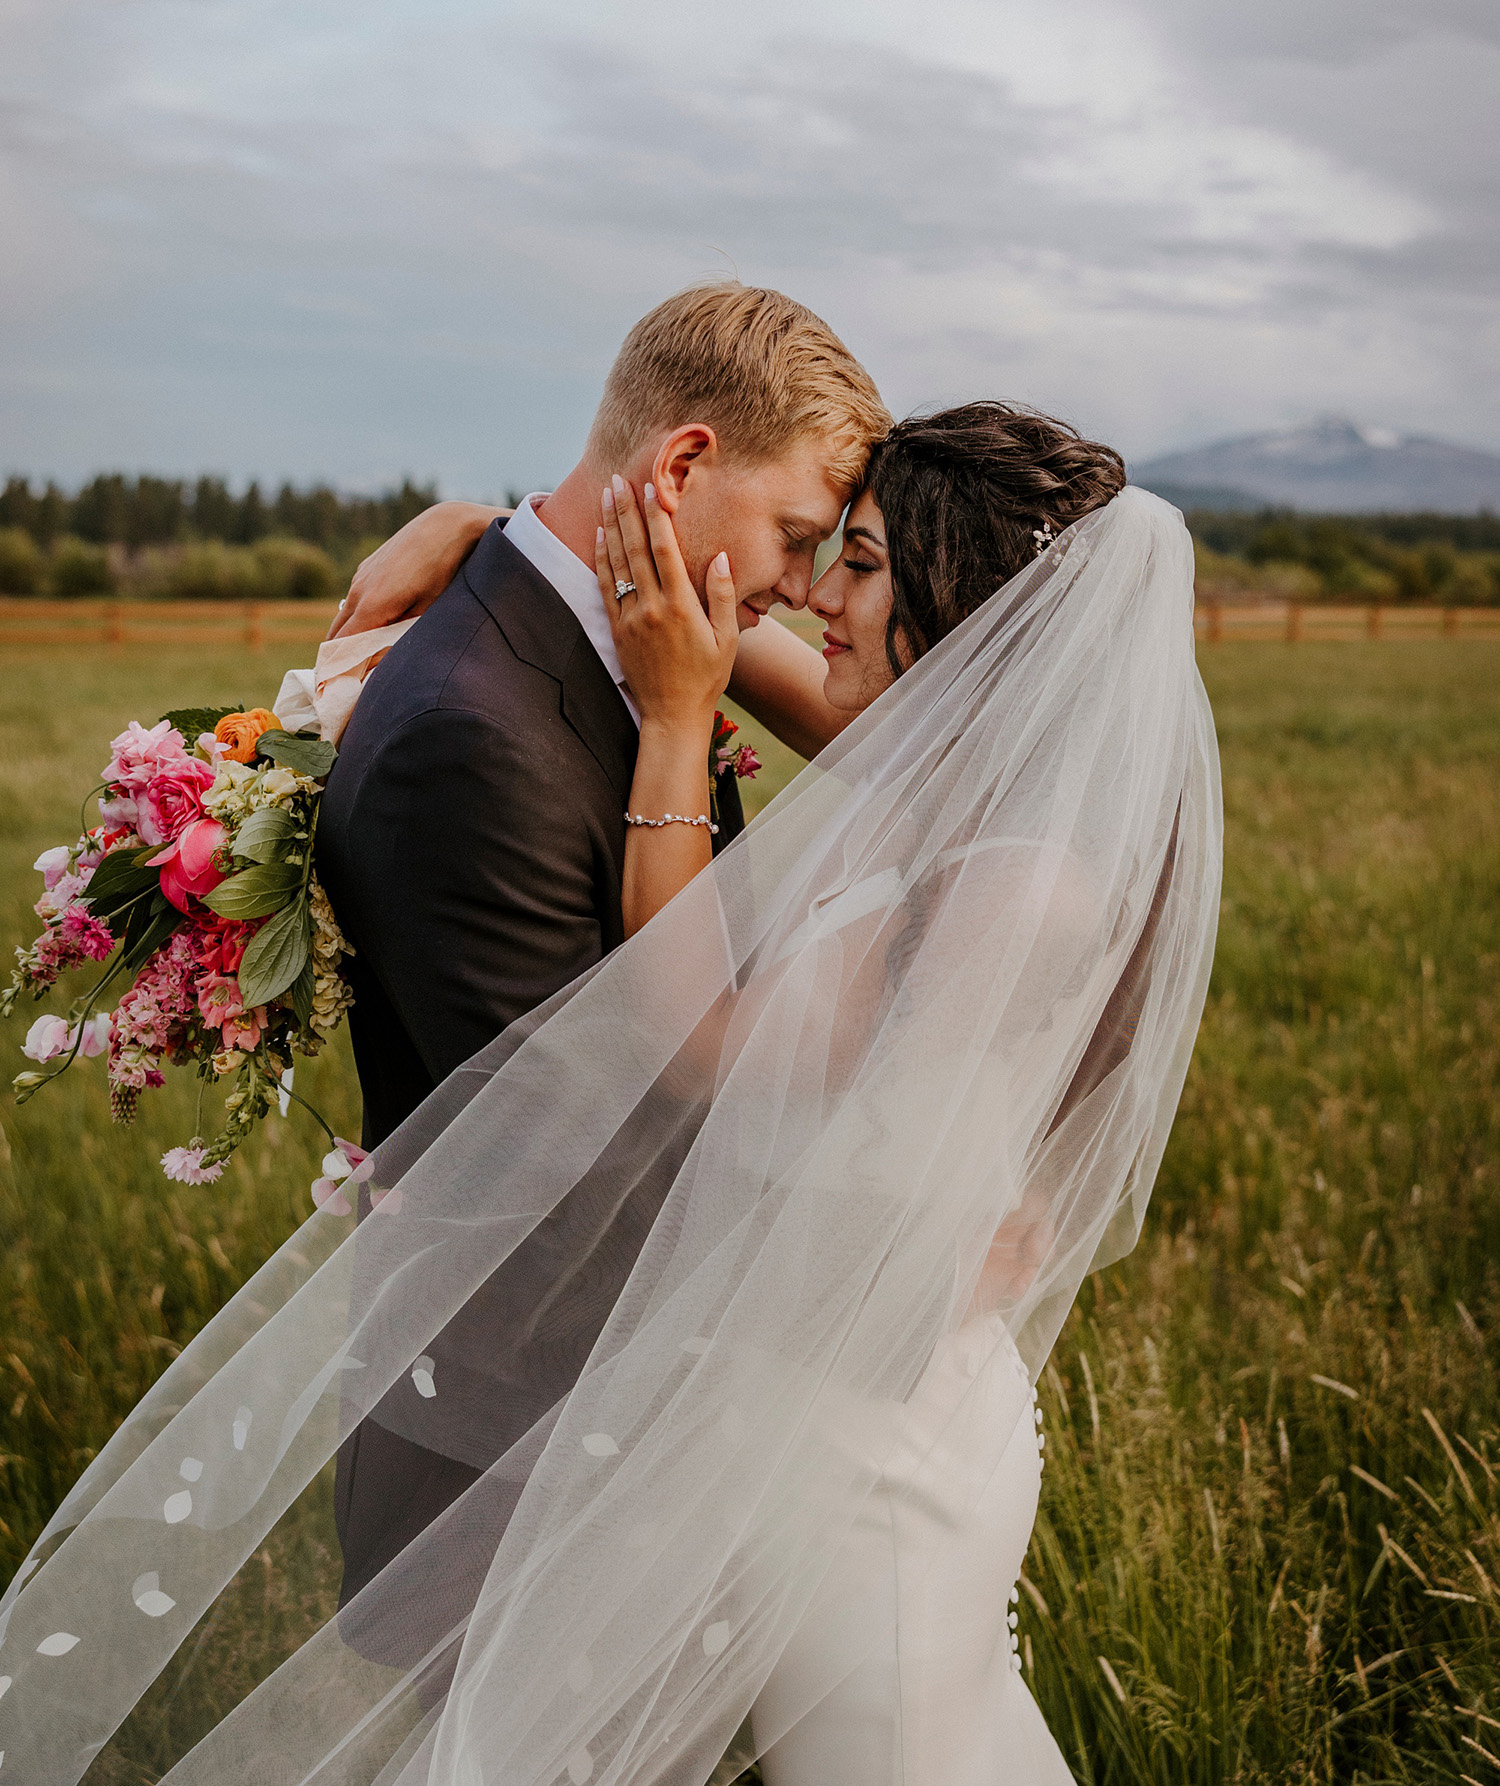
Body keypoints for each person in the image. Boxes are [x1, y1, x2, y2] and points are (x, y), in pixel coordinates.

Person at [0, 401, 1220, 1786]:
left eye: (862, 563)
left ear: (969, 608)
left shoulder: (1023, 881)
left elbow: (703, 1035)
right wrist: (497, 529)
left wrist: (682, 719)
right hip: (797, 1414)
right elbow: (659, 599)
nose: (818, 593)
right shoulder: (942, 765)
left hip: (870, 1443)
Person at [314, 281, 889, 1600]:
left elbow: (935, 725)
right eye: (800, 538)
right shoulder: (472, 736)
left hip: (647, 1428)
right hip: (526, 1471)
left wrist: (485, 521)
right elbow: (595, 1149)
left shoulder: (660, 632)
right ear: (686, 462)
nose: (801, 592)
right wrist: (904, 1233)